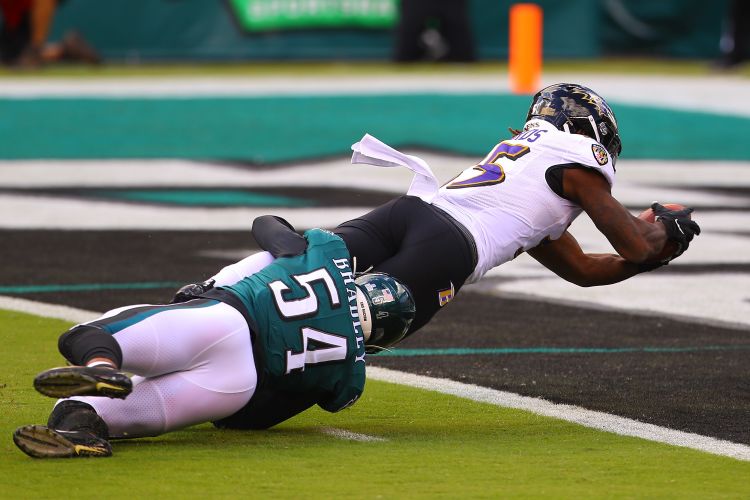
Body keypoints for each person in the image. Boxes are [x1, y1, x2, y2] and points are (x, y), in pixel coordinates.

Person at [13, 222, 416, 458]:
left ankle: (102, 369)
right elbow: (263, 416)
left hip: (225, 323)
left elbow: (266, 224)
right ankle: (82, 432)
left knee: (87, 337)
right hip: (235, 386)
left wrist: (210, 287)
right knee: (95, 412)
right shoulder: (348, 382)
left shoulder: (329, 256)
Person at [332, 83, 701, 336]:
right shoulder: (576, 159)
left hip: (410, 211)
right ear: (589, 129)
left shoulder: (529, 178)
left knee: (311, 261)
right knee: (356, 325)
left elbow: (583, 269)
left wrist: (648, 259)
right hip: (450, 244)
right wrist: (664, 234)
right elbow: (635, 245)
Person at [0, 0, 99, 67]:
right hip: (14, 22)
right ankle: (64, 50)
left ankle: (34, 52)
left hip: (26, 16)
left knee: (18, 57)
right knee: (10, 58)